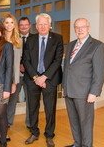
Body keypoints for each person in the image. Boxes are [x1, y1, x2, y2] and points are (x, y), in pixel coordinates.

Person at [62, 18, 104, 147]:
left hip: (84, 93)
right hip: (69, 91)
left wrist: (94, 92)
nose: (80, 30)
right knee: (74, 121)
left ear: (88, 28)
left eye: (83, 27)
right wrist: (64, 86)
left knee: (85, 123)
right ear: (74, 29)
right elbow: (67, 67)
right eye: (77, 27)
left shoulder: (97, 46)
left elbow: (99, 72)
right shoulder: (70, 45)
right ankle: (77, 143)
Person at [23, 13, 63, 147]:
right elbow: (26, 60)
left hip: (50, 79)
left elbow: (57, 61)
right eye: (40, 24)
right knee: (32, 108)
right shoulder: (30, 39)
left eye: (45, 24)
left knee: (50, 109)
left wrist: (44, 77)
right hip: (32, 79)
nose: (42, 26)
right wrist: (36, 77)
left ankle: (49, 135)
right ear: (36, 26)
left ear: (50, 25)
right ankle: (34, 132)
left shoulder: (57, 38)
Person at [6, 17, 33, 129]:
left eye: (25, 25)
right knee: (12, 100)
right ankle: (7, 123)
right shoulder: (13, 38)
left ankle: (30, 124)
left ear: (30, 25)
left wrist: (26, 67)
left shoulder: (34, 38)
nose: (23, 27)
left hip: (29, 75)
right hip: (15, 76)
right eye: (21, 25)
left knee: (31, 101)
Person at [2, 14, 22, 141]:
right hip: (1, 79)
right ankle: (1, 130)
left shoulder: (18, 41)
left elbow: (16, 63)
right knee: (1, 106)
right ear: (3, 24)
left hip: (14, 78)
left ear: (14, 25)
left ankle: (6, 129)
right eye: (7, 22)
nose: (9, 25)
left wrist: (14, 82)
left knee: (10, 105)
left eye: (11, 22)